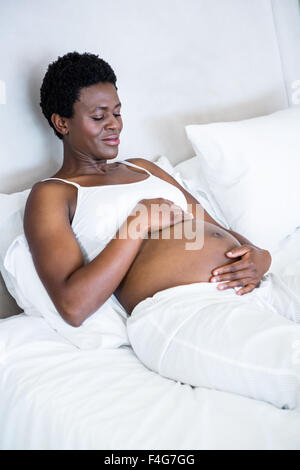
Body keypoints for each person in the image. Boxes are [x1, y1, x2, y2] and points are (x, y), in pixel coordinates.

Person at [24, 52, 300, 410]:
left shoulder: (143, 168)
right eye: (98, 116)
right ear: (62, 123)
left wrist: (260, 257)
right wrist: (137, 223)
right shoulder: (53, 193)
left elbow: (215, 228)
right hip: (183, 311)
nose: (114, 125)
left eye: (117, 112)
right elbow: (74, 306)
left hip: (254, 285)